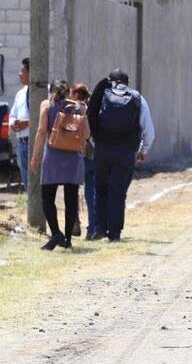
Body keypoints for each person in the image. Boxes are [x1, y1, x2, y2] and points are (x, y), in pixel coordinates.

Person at [88, 69, 155, 242]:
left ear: (110, 81)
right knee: (118, 192)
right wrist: (143, 150)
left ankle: (99, 228)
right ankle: (115, 233)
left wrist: (95, 144)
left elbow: (91, 118)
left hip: (103, 149)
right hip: (126, 152)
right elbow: (149, 130)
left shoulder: (102, 95)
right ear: (127, 82)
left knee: (100, 189)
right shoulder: (137, 98)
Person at [29, 80, 88, 251]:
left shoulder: (46, 106)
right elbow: (86, 134)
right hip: (73, 158)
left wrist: (35, 157)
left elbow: (41, 132)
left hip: (53, 155)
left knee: (47, 198)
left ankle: (56, 234)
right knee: (71, 200)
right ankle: (68, 239)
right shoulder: (79, 107)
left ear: (51, 91)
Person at [68, 83, 99, 240]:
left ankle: (75, 224)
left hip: (76, 155)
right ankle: (92, 228)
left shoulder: (74, 109)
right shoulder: (93, 108)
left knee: (72, 192)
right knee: (91, 193)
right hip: (92, 155)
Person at [10, 58, 31, 190]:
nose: (19, 74)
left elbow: (49, 116)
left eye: (22, 71)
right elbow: (13, 114)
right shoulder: (20, 94)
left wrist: (28, 123)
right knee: (27, 182)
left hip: (37, 143)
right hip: (22, 144)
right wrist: (14, 124)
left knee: (39, 182)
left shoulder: (45, 92)